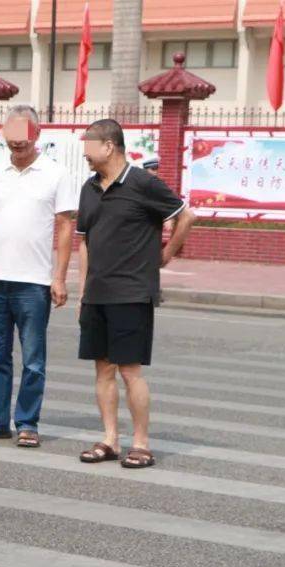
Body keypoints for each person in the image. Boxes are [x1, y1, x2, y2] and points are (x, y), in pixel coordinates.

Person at [75, 119, 195, 468]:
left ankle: (141, 443)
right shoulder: (89, 188)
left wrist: (166, 254)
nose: (85, 153)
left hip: (131, 292)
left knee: (130, 371)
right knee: (102, 370)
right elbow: (85, 242)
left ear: (109, 145)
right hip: (97, 293)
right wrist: (83, 289)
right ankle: (110, 439)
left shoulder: (143, 183)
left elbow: (186, 216)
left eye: (89, 145)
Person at [0, 106, 77, 447]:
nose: (17, 149)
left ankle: (27, 422)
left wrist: (59, 277)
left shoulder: (56, 174)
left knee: (33, 360)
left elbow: (66, 227)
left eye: (23, 143)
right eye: (11, 144)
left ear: (37, 135)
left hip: (34, 284)